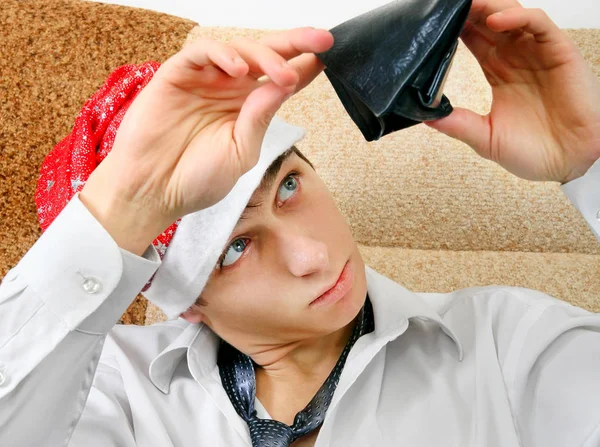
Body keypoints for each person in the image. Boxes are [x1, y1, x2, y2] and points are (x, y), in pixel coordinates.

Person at [1, 0, 599, 446]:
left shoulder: (510, 344)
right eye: (234, 248)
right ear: (185, 301)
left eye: (289, 185)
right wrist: (127, 203)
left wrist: (590, 162)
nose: (311, 256)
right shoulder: (109, 388)